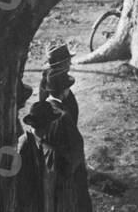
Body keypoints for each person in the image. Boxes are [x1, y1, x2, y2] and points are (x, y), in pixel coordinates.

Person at [42, 72, 92, 212]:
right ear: (64, 91)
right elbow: (76, 147)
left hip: (49, 169)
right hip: (67, 172)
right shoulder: (63, 116)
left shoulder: (42, 108)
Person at [38, 44, 79, 125]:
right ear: (62, 63)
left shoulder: (51, 78)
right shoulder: (54, 83)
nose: (70, 63)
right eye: (68, 61)